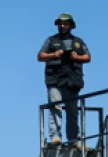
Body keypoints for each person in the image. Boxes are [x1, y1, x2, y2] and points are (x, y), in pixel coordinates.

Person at [37, 13, 91, 147]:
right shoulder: (50, 40)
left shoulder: (78, 42)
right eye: (61, 23)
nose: (63, 26)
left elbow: (88, 57)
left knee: (72, 112)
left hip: (72, 81)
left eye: (65, 23)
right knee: (56, 108)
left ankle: (74, 140)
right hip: (55, 80)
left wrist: (76, 57)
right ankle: (56, 137)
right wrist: (55, 54)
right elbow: (40, 56)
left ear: (71, 25)